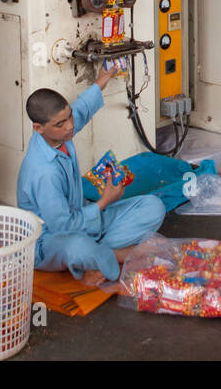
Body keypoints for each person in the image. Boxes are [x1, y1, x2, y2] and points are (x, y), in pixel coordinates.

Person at [17, 60, 165, 285]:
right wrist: (104, 202)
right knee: (78, 247)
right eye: (60, 124)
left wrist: (101, 81)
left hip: (84, 215)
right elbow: (62, 227)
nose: (69, 127)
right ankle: (115, 255)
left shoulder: (58, 132)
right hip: (52, 239)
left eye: (69, 118)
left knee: (153, 207)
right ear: (39, 128)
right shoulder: (42, 172)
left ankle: (100, 255)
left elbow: (81, 110)